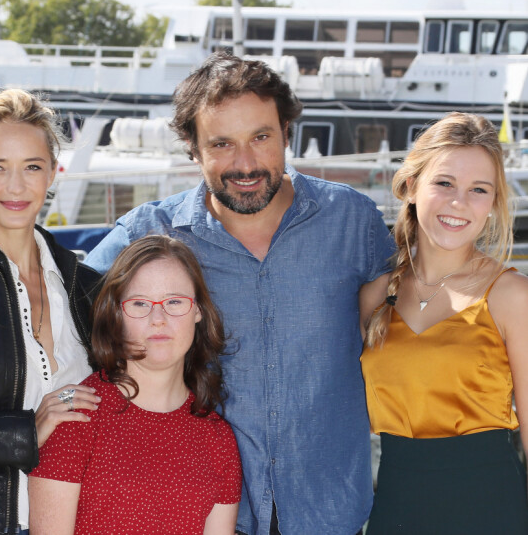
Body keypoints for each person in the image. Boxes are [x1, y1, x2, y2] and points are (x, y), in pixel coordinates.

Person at [85, 51, 395, 535]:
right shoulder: (153, 231)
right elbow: (64, 311)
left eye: (261, 137)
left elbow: (415, 302)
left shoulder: (352, 221)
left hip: (331, 508)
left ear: (287, 133)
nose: (245, 163)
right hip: (206, 514)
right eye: (222, 144)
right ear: (193, 149)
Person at [360, 112, 528, 534]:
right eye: (444, 183)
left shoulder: (511, 296)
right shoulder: (376, 292)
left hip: (493, 510)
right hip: (394, 508)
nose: (459, 203)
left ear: (492, 204)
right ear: (411, 186)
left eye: (478, 190)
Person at [0, 89, 101, 535]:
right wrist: (25, 431)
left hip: (72, 518)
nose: (16, 186)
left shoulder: (86, 286)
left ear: (52, 173)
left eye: (32, 167)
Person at [28, 235, 242, 534]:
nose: (158, 318)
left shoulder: (217, 438)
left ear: (198, 311)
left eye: (175, 302)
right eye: (140, 303)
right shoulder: (76, 416)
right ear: (116, 314)